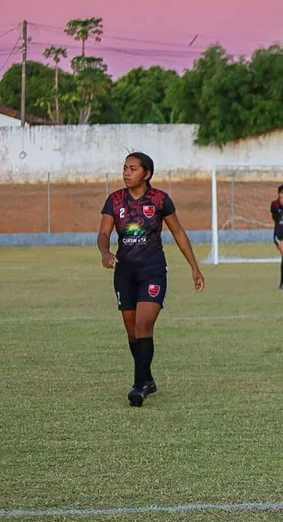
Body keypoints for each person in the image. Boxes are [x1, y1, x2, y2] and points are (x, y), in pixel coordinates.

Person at [97, 152, 205, 407]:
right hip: (124, 273)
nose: (126, 173)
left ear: (146, 173)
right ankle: (148, 379)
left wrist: (195, 268)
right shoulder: (115, 200)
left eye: (133, 169)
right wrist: (104, 252)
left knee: (144, 326)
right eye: (124, 168)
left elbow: (178, 233)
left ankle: (139, 386)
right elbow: (103, 232)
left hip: (153, 271)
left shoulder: (159, 200)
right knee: (132, 332)